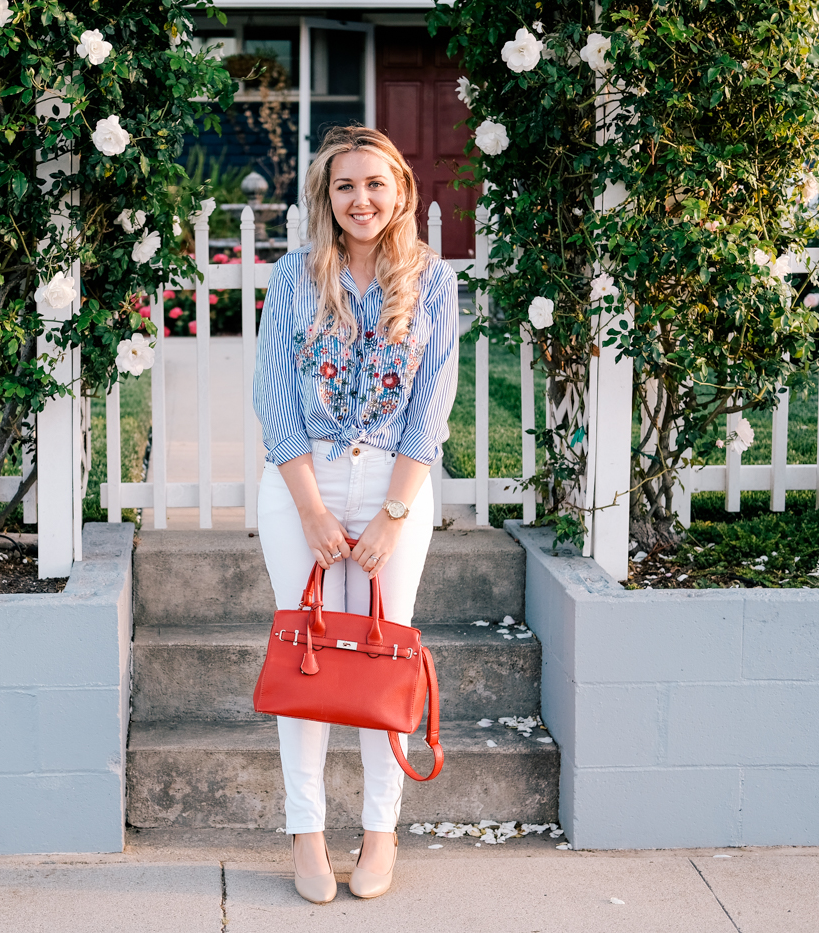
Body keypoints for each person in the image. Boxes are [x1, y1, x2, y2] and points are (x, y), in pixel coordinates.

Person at [252, 124, 459, 904]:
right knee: (305, 653)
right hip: (301, 485)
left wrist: (390, 516)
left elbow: (429, 410)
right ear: (326, 197)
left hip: (392, 492)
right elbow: (274, 400)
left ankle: (380, 830)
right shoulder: (292, 279)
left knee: (382, 659)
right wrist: (311, 511)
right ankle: (307, 834)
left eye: (375, 183)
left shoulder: (432, 283)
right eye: (345, 186)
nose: (361, 198)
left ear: (399, 190)